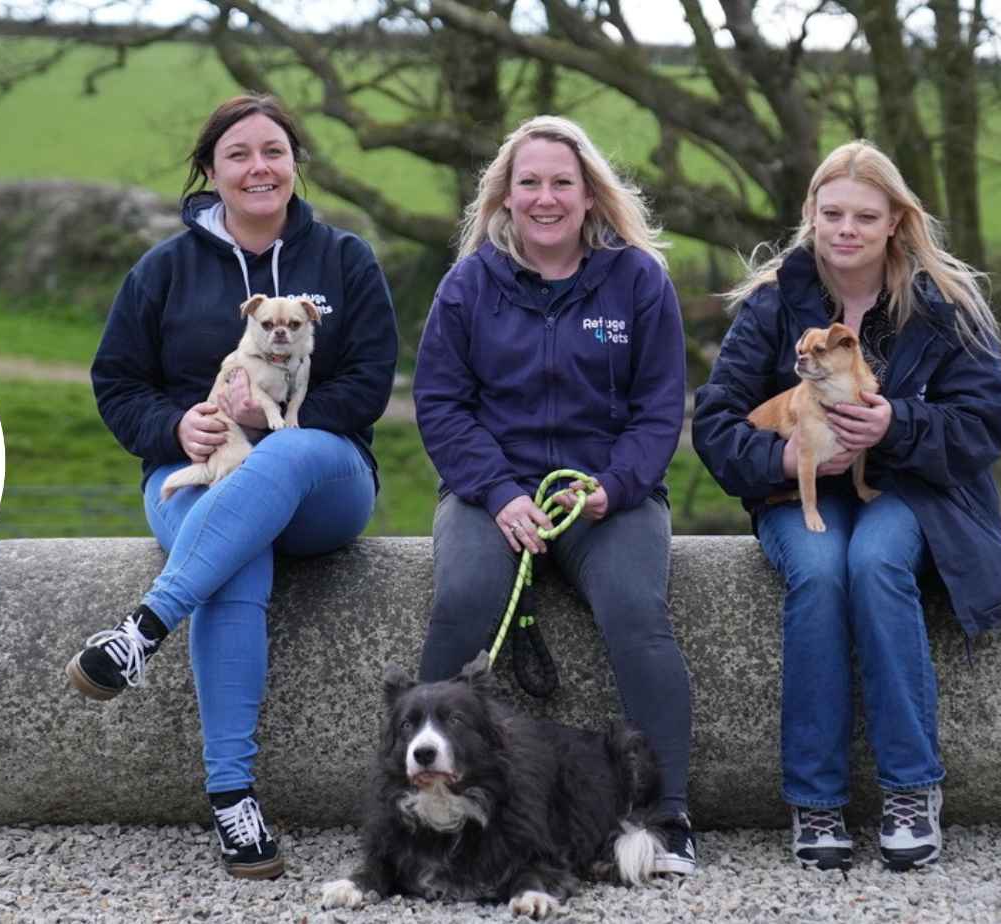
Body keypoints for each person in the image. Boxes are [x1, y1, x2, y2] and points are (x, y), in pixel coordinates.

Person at [65, 94, 398, 880]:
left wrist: (278, 417)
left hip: (323, 475)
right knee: (235, 558)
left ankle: (142, 630)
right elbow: (117, 383)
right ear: (210, 172)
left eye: (273, 151)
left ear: (294, 164)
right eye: (239, 154)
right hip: (196, 471)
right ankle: (232, 801)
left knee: (281, 456)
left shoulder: (345, 260)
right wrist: (175, 426)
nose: (259, 168)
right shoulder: (163, 269)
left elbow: (370, 382)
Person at [693, 140, 1001, 872]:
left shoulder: (945, 304)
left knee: (874, 562)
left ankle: (911, 788)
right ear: (811, 213)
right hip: (800, 489)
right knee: (817, 568)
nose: (846, 229)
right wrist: (778, 459)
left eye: (865, 216)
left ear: (896, 220)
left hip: (913, 489)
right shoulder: (774, 302)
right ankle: (815, 800)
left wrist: (897, 425)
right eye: (832, 213)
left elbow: (988, 423)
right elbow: (714, 422)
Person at [413, 115, 698, 874]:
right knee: (463, 599)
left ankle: (666, 814)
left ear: (589, 194)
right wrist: (499, 492)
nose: (546, 198)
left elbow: (659, 409)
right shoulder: (469, 284)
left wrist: (614, 486)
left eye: (562, 183)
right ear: (506, 197)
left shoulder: (638, 281)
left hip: (609, 495)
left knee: (636, 613)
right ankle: (417, 804)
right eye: (530, 183)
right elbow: (441, 405)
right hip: (490, 494)